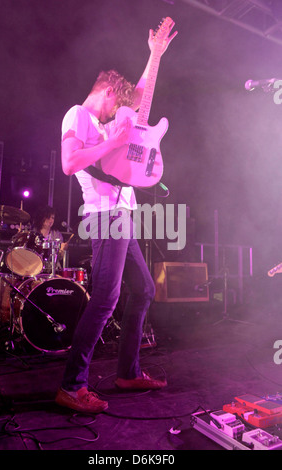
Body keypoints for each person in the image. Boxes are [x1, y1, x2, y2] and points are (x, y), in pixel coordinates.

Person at [55, 22, 178, 414]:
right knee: (106, 300)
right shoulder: (77, 115)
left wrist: (154, 55)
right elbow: (70, 163)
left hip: (122, 215)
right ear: (107, 93)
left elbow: (139, 98)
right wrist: (114, 140)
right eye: (116, 103)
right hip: (105, 216)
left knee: (143, 289)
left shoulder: (103, 123)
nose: (119, 112)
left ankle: (127, 372)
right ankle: (72, 386)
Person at [33, 205, 66, 272]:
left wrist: (62, 249)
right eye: (48, 217)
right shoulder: (33, 233)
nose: (51, 220)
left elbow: (59, 257)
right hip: (35, 267)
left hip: (53, 269)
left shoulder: (57, 234)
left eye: (53, 218)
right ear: (41, 218)